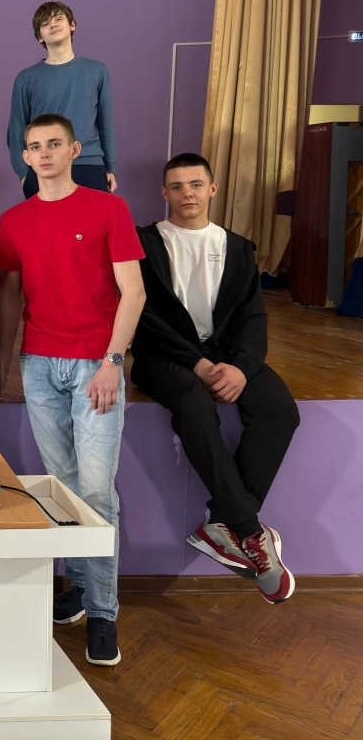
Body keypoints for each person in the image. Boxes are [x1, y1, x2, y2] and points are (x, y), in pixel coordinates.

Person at [0, 113, 144, 666]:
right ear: (25, 157)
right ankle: (78, 585)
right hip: (39, 365)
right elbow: (11, 296)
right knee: (64, 487)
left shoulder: (108, 208)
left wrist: (113, 362)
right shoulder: (13, 221)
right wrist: (4, 365)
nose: (45, 153)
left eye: (54, 144)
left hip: (95, 366)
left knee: (97, 491)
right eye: (35, 146)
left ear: (75, 150)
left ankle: (103, 612)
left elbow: (133, 293)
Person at [131, 153, 297, 604]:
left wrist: (241, 367)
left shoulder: (238, 247)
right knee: (193, 403)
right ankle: (248, 529)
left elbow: (252, 317)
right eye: (177, 186)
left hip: (227, 355)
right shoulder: (143, 242)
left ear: (212, 188)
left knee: (280, 410)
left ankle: (221, 523)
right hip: (164, 356)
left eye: (195, 185)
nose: (187, 193)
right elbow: (143, 316)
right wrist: (198, 364)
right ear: (164, 193)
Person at [7, 1, 116, 198]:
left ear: (72, 25)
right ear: (40, 36)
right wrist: (23, 174)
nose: (53, 24)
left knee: (92, 219)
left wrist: (110, 167)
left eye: (58, 19)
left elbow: (105, 123)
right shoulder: (26, 78)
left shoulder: (97, 71)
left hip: (89, 162)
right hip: (44, 165)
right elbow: (16, 130)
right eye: (45, 23)